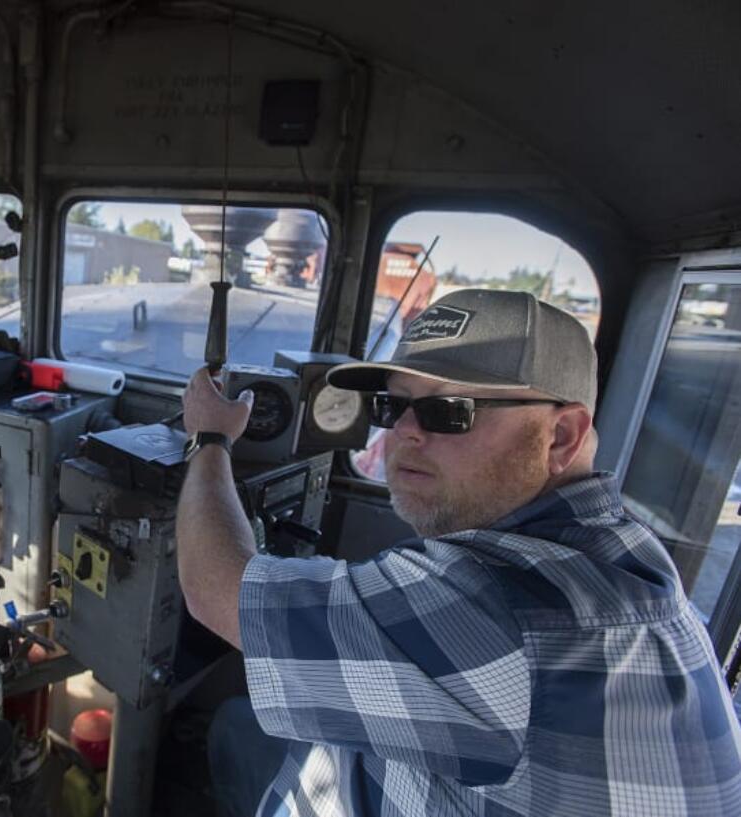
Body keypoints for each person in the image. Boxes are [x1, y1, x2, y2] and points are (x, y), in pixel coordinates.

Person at [178, 288, 741, 816]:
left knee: (232, 730)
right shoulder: (628, 548)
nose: (402, 433)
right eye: (390, 408)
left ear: (563, 436)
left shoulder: (502, 604)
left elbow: (215, 588)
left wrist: (210, 440)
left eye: (449, 410)